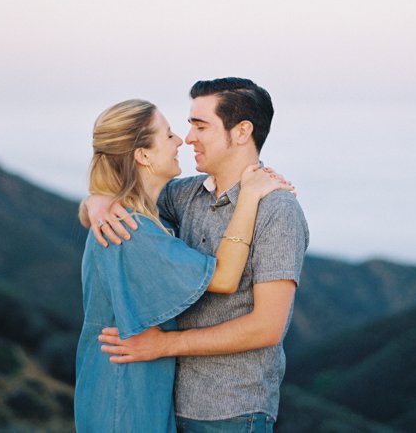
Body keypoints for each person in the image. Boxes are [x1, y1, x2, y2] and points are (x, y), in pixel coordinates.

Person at [86, 77, 309, 432]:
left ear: (241, 132)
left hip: (230, 412)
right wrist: (96, 203)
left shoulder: (276, 209)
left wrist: (162, 345)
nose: (188, 138)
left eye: (200, 126)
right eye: (188, 126)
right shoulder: (184, 195)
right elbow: (129, 195)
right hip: (167, 409)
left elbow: (267, 328)